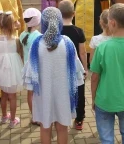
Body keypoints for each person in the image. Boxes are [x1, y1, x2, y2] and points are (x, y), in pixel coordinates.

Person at [24, 7, 84, 144]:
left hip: (43, 95)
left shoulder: (36, 44)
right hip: (63, 95)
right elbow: (77, 73)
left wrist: (31, 93)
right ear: (60, 22)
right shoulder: (68, 43)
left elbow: (31, 76)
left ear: (43, 23)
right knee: (62, 128)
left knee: (45, 128)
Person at [91, 3, 124, 144]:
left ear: (112, 23)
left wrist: (93, 98)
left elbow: (95, 77)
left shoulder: (102, 48)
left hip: (104, 100)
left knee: (106, 137)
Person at [58, 0, 87, 130]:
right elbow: (82, 52)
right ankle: (79, 119)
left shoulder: (55, 30)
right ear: (74, 14)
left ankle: (60, 117)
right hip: (75, 68)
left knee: (61, 91)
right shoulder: (78, 31)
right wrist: (85, 69)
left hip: (60, 67)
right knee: (79, 93)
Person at [0, 11, 24, 128]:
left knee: (3, 94)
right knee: (12, 96)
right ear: (11, 25)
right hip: (13, 68)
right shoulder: (16, 39)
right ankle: (12, 120)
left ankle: (4, 116)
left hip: (0, 68)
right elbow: (20, 53)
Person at [20, 8, 41, 126]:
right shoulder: (38, 36)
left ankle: (34, 116)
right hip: (37, 67)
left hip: (27, 68)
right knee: (37, 94)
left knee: (30, 93)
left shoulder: (22, 35)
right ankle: (38, 116)